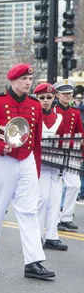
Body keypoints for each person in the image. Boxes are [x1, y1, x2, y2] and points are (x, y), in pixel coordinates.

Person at [0, 63, 55, 279]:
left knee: (29, 211)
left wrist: (34, 167)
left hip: (26, 159)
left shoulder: (34, 104)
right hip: (3, 160)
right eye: (24, 79)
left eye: (29, 79)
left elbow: (35, 140)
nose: (28, 83)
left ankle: (34, 261)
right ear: (13, 80)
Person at [33, 83, 68, 251]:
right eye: (42, 98)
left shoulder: (59, 118)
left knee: (55, 199)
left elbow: (63, 141)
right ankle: (37, 236)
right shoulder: (33, 116)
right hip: (38, 165)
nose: (46, 101)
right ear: (37, 98)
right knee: (41, 200)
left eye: (48, 97)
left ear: (54, 97)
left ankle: (52, 236)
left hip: (54, 165)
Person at [53, 79, 83, 232]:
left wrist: (81, 153)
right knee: (56, 188)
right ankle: (56, 218)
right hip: (54, 153)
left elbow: (80, 135)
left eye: (70, 94)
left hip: (71, 153)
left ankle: (66, 217)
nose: (68, 97)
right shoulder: (52, 111)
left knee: (75, 185)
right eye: (65, 94)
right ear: (57, 95)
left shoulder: (75, 112)